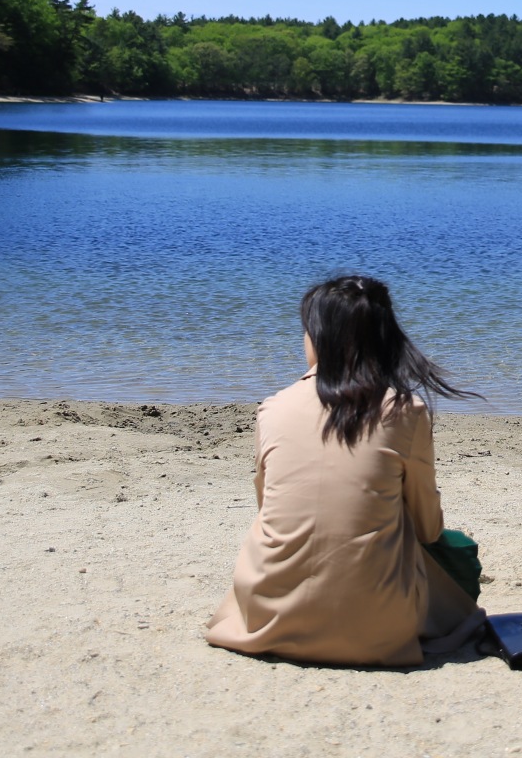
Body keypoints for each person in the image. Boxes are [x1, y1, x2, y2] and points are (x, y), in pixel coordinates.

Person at [206, 276, 484, 666]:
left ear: (317, 337)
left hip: (268, 618)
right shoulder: (405, 411)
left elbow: (266, 507)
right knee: (460, 554)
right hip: (377, 629)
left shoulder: (272, 408)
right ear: (385, 340)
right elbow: (427, 529)